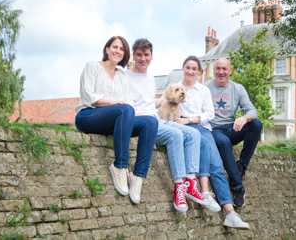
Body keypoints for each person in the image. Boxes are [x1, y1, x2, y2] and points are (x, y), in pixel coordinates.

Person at [126, 39, 210, 212]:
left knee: (194, 134)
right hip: (142, 123)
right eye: (139, 55)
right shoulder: (125, 76)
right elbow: (127, 107)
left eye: (146, 55)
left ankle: (190, 183)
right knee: (176, 135)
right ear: (133, 56)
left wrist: (168, 99)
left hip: (155, 119)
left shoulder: (150, 77)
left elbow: (150, 103)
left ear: (151, 56)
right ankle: (179, 186)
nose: (143, 58)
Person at [75, 36, 158, 204]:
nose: (117, 51)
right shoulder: (93, 66)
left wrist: (120, 107)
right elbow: (89, 96)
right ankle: (119, 166)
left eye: (121, 49)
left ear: (124, 54)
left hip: (114, 119)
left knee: (150, 122)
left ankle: (138, 175)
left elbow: (129, 102)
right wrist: (114, 103)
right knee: (125, 109)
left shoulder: (122, 74)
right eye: (115, 47)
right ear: (107, 49)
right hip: (88, 115)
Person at [174, 55, 249, 229]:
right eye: (188, 68)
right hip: (187, 129)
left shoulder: (203, 90)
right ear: (183, 68)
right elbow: (167, 106)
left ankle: (230, 213)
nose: (191, 71)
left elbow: (210, 114)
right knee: (203, 151)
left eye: (194, 69)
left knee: (217, 167)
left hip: (203, 127)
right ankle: (204, 192)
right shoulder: (175, 88)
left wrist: (191, 119)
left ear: (199, 72)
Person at [203, 58, 263, 207]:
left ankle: (241, 165)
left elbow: (252, 110)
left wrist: (244, 117)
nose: (221, 72)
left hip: (232, 127)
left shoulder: (238, 88)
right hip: (214, 129)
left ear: (230, 71)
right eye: (218, 68)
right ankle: (238, 187)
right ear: (214, 70)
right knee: (223, 142)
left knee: (256, 124)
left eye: (224, 69)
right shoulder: (204, 88)